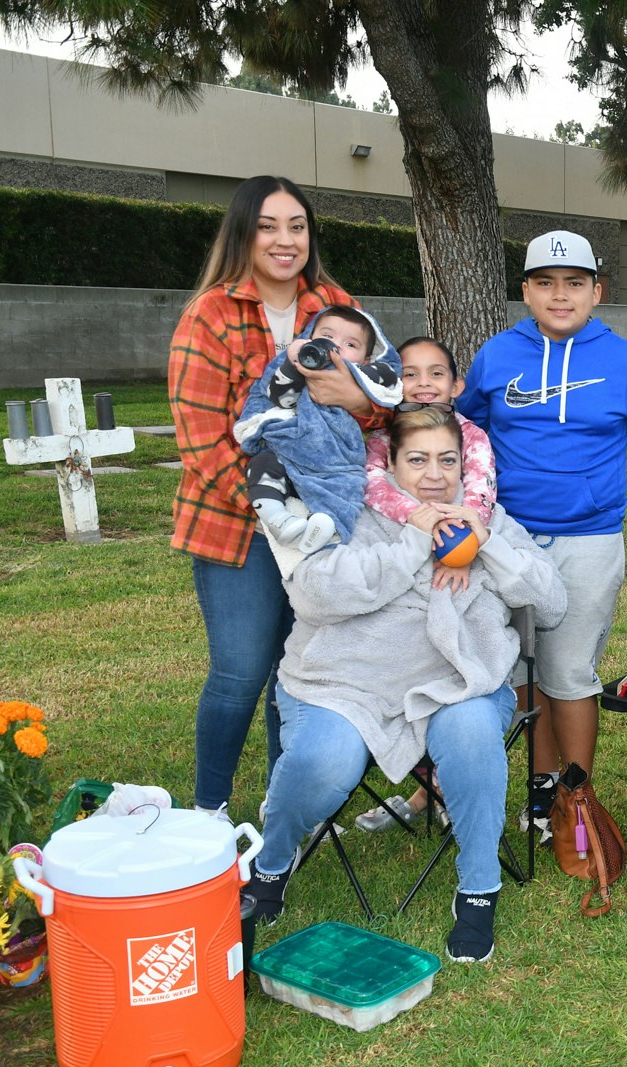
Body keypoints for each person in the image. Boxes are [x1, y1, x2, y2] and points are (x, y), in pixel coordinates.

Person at [241, 406, 566, 962]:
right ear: (388, 463)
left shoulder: (488, 519)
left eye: (447, 460)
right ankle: (271, 865)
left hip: (458, 681)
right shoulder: (353, 512)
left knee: (469, 737)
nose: (435, 474)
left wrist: (484, 543)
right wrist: (416, 543)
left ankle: (479, 888)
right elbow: (317, 594)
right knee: (323, 761)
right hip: (346, 679)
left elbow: (552, 604)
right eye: (417, 460)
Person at [459, 231, 627, 824]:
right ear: (524, 290)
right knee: (519, 667)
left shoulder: (621, 359)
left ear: (596, 291)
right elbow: (462, 437)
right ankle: (542, 786)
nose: (559, 295)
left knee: (568, 671)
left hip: (588, 541)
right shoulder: (497, 355)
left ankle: (578, 796)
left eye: (574, 283)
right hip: (505, 541)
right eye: (544, 283)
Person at [168, 175, 375, 821]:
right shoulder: (210, 314)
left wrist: (356, 401)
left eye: (297, 226)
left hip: (324, 527)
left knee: (300, 674)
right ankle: (209, 812)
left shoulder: (338, 306)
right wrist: (273, 511)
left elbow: (373, 412)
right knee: (240, 670)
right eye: (268, 226)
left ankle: (283, 805)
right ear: (243, 234)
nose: (285, 240)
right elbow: (201, 442)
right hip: (238, 527)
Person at [352, 336, 501, 835]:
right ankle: (426, 787)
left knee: (450, 674)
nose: (422, 385)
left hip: (455, 569)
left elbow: (479, 493)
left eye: (436, 374)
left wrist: (463, 546)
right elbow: (372, 487)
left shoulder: (471, 436)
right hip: (395, 568)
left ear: (456, 385)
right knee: (394, 677)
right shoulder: (380, 435)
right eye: (409, 374)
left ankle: (434, 792)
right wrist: (418, 518)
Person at [237, 304, 402, 558]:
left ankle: (328, 526)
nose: (335, 347)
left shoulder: (362, 374)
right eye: (327, 337)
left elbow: (388, 378)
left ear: (365, 359)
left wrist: (353, 384)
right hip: (290, 445)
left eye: (350, 345)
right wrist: (294, 366)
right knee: (263, 465)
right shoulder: (297, 364)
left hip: (333, 455)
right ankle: (278, 519)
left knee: (347, 484)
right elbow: (280, 398)